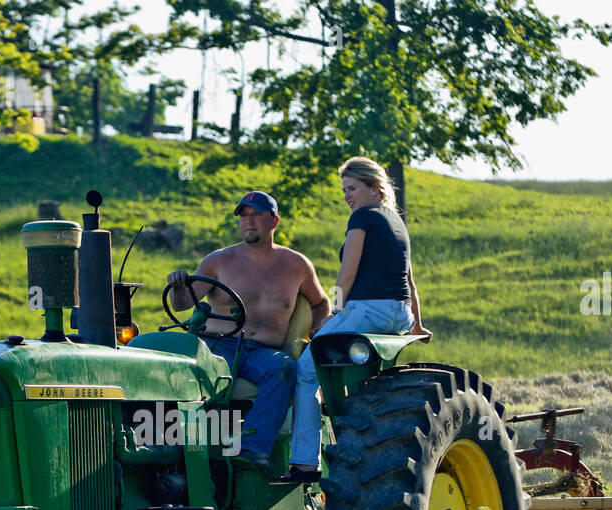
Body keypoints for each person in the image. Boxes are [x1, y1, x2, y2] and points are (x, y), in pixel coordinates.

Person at [280, 158, 432, 482]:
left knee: (306, 371)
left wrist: (334, 312)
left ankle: (306, 463)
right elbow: (410, 282)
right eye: (344, 190)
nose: (347, 196)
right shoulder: (397, 222)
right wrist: (416, 324)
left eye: (352, 188)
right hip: (399, 313)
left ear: (374, 187)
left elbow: (345, 277)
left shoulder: (362, 217)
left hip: (368, 310)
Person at [167, 190, 331, 469]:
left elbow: (321, 302)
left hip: (265, 352)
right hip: (218, 346)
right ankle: (182, 449)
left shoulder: (297, 265)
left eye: (256, 215)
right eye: (243, 216)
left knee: (286, 368)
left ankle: (253, 451)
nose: (249, 221)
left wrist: (318, 329)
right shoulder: (218, 261)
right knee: (190, 374)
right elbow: (183, 304)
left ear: (274, 222)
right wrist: (178, 286)